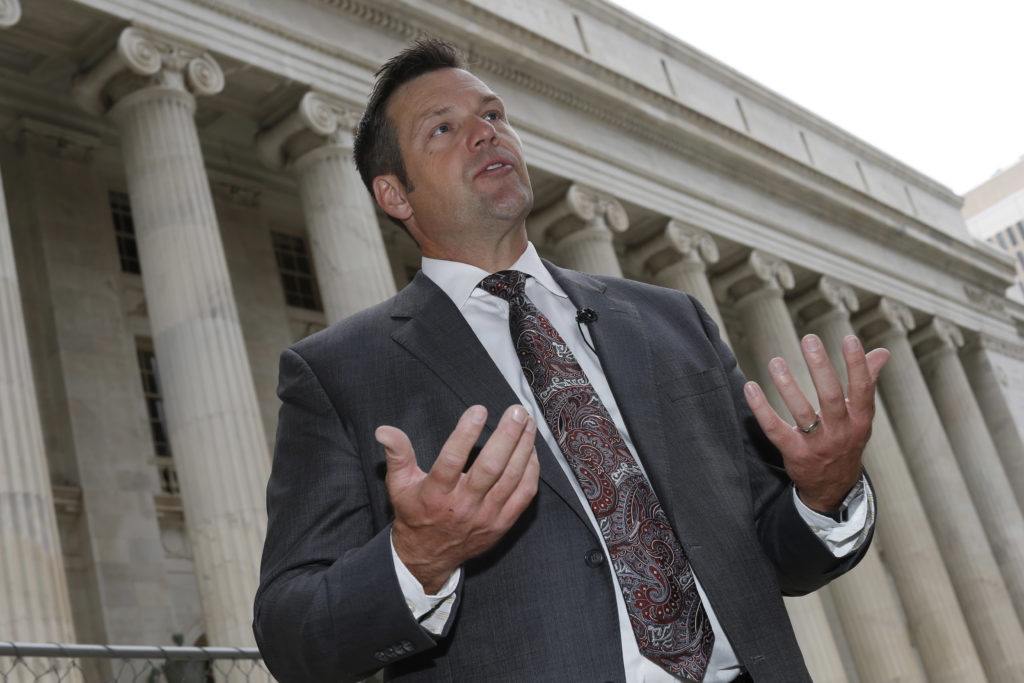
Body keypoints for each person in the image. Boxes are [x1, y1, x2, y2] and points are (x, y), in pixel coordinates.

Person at [253, 39, 888, 683]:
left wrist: (824, 491)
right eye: (442, 128)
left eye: (493, 114)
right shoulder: (337, 372)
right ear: (395, 194)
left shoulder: (673, 320)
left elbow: (774, 556)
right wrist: (417, 558)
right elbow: (291, 635)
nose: (485, 132)